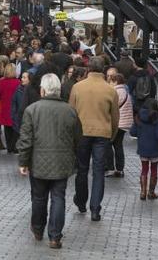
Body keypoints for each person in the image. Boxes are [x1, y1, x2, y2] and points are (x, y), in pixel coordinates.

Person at [17, 73, 82, 250]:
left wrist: (23, 162)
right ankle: (55, 236)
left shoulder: (32, 110)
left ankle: (38, 229)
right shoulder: (70, 111)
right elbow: (78, 138)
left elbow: (26, 139)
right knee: (58, 197)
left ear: (43, 90)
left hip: (38, 162)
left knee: (38, 197)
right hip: (62, 162)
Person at [67, 57, 118, 221]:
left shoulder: (77, 87)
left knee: (82, 169)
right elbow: (115, 117)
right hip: (102, 134)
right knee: (98, 172)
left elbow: (71, 112)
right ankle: (95, 208)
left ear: (88, 68)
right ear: (103, 69)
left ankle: (81, 201)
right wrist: (112, 134)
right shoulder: (110, 90)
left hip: (82, 133)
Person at [133, 98, 158, 200]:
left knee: (144, 169)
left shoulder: (138, 116)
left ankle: (143, 192)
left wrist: (141, 133)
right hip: (155, 148)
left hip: (143, 147)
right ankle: (151, 192)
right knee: (154, 170)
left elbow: (132, 132)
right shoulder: (157, 117)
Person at [104, 72, 133, 178]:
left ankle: (111, 168)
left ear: (115, 81)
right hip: (125, 123)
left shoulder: (116, 92)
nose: (109, 83)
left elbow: (111, 107)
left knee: (108, 144)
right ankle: (120, 169)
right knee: (118, 146)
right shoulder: (125, 91)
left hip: (118, 123)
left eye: (111, 81)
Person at [0, 64, 21, 153]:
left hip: (4, 106)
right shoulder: (18, 82)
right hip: (14, 107)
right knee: (15, 127)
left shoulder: (1, 82)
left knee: (6, 127)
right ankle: (13, 146)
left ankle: (9, 146)